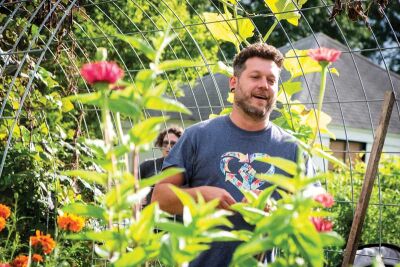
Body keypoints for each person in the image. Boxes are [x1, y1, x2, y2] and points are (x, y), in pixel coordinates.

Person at [151, 43, 315, 267]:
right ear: (234, 83)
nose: (264, 85)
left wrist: (275, 215)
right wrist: (201, 196)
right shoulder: (197, 136)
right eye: (255, 76)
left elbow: (311, 220)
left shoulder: (293, 150)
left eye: (271, 80)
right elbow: (160, 199)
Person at [139, 126, 183, 205]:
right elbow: (129, 187)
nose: (168, 147)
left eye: (173, 143)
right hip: (150, 214)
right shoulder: (148, 165)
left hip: (177, 215)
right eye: (165, 143)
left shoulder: (186, 168)